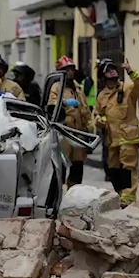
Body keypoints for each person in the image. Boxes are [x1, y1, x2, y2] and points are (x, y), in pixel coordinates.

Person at [94, 58, 139, 207]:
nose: (112, 71)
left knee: (128, 168)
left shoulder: (128, 89)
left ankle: (128, 200)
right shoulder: (101, 96)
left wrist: (130, 71)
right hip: (112, 139)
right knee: (113, 170)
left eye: (113, 68)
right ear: (103, 76)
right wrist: (99, 120)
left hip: (127, 137)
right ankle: (121, 194)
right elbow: (97, 114)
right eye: (108, 69)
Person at [48, 56, 93, 188]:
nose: (70, 73)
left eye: (72, 69)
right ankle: (57, 196)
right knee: (60, 166)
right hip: (63, 133)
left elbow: (85, 111)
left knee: (77, 167)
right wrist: (64, 102)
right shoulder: (57, 87)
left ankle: (73, 194)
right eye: (66, 70)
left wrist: (90, 130)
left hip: (78, 134)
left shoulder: (78, 88)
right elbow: (51, 105)